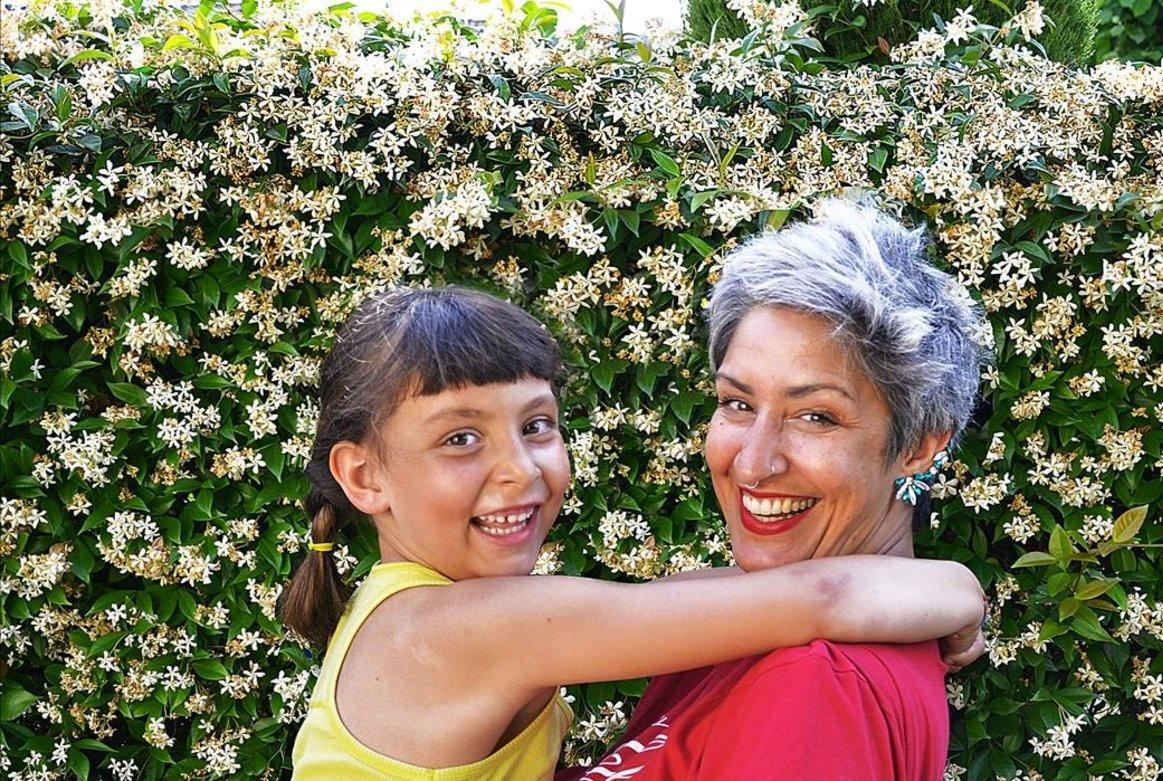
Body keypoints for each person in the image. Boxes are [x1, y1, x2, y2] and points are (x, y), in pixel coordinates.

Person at [283, 285, 987, 780]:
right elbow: (822, 594)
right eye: (462, 438)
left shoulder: (428, 605)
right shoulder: (450, 628)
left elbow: (698, 596)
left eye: (536, 425)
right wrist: (959, 588)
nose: (518, 469)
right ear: (364, 476)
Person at [560, 198, 990, 780]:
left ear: (919, 447)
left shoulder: (814, 684)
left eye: (816, 416)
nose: (754, 464)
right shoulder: (737, 624)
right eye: (737, 403)